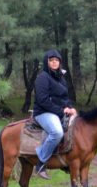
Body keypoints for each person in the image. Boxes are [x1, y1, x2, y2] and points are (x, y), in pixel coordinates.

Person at [33, 49, 77, 179]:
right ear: (47, 62)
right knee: (57, 132)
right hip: (44, 112)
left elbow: (64, 97)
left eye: (56, 60)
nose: (54, 63)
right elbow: (42, 100)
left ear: (60, 62)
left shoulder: (61, 78)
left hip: (58, 112)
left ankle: (66, 161)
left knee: (78, 127)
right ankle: (41, 163)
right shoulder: (42, 77)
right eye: (51, 60)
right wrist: (61, 110)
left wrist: (70, 107)